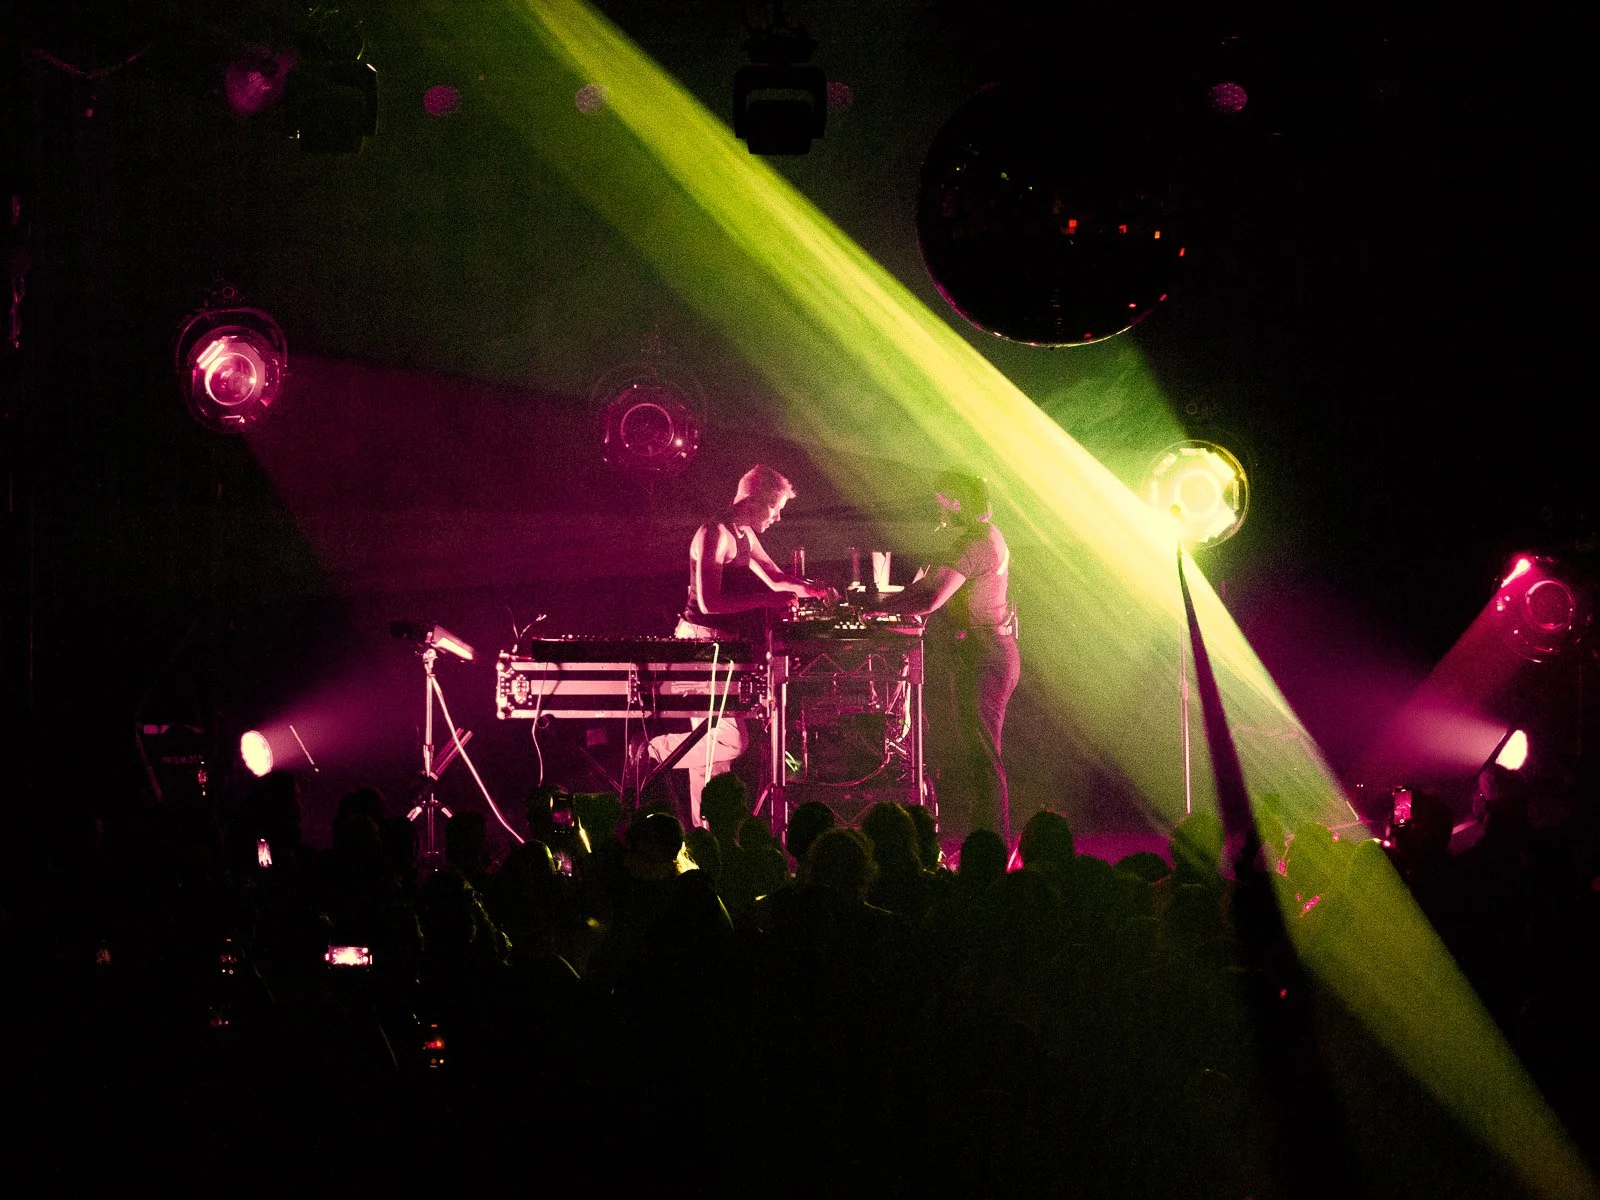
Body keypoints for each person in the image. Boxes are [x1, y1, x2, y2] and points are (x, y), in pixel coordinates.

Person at [651, 465, 834, 827]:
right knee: (730, 741)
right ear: (753, 500)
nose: (777, 517)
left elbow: (775, 578)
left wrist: (812, 590)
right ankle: (650, 753)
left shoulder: (744, 534)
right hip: (699, 645)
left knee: (713, 754)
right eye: (774, 508)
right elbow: (709, 604)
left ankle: (706, 835)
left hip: (719, 648)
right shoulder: (714, 533)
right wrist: (767, 600)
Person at [869, 471, 1019, 844]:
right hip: (990, 651)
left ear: (957, 502)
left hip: (985, 654)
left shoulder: (973, 542)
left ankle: (991, 852)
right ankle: (987, 846)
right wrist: (881, 605)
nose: (939, 511)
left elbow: (932, 598)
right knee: (981, 755)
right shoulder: (987, 535)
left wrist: (874, 611)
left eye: (942, 502)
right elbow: (929, 584)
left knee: (983, 757)